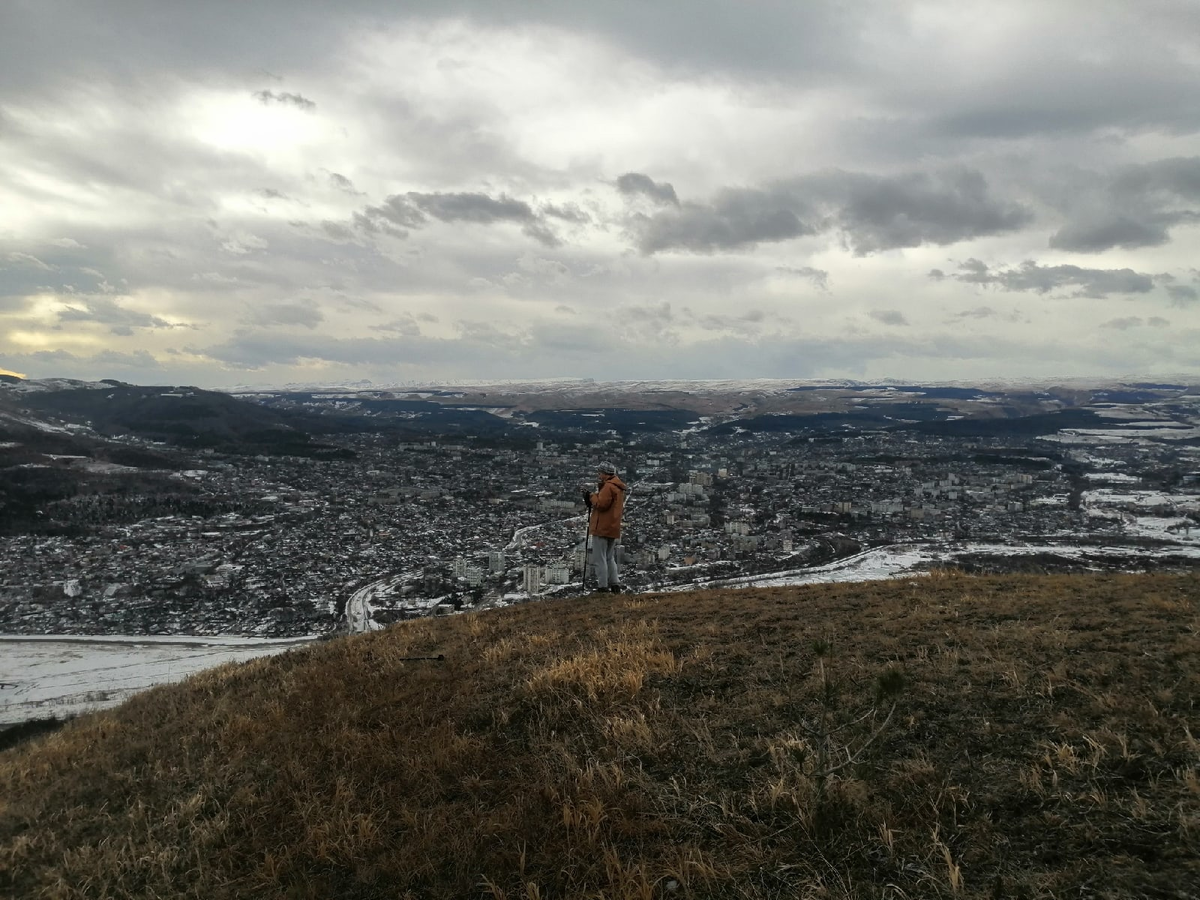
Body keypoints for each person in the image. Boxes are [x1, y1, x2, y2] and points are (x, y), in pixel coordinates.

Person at [582, 462, 627, 593]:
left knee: (599, 558)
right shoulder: (617, 487)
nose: (598, 475)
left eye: (600, 472)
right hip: (612, 527)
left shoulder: (608, 487)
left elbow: (601, 504)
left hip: (602, 526)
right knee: (609, 557)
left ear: (605, 473)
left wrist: (591, 496)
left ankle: (602, 586)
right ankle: (615, 584)